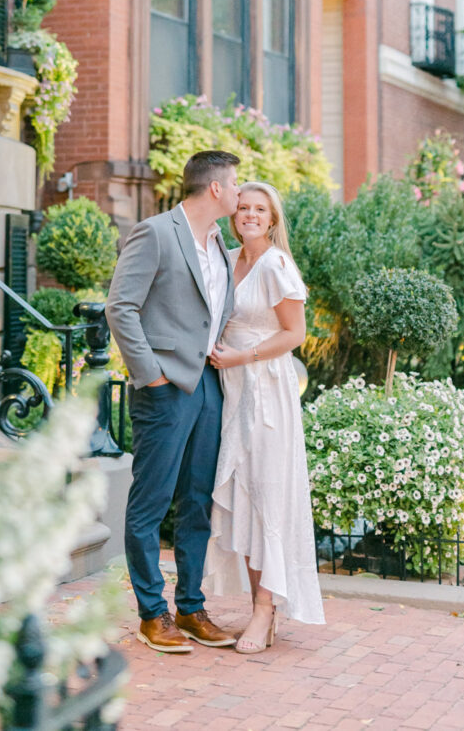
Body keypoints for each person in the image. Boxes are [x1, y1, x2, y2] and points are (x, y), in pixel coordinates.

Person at [106, 150, 240, 653]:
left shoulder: (222, 246)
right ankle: (151, 613)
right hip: (164, 389)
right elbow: (120, 307)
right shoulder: (156, 232)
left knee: (197, 501)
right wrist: (152, 376)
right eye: (235, 183)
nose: (238, 190)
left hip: (208, 385)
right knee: (152, 502)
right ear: (215, 189)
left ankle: (190, 607)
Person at [204, 181, 325, 653]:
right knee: (245, 494)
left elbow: (295, 333)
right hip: (231, 391)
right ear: (234, 214)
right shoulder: (230, 258)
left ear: (272, 220)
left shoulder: (275, 264)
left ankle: (264, 610)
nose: (251, 214)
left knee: (267, 497)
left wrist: (242, 357)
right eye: (244, 207)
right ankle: (258, 604)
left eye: (261, 209)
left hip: (266, 392)